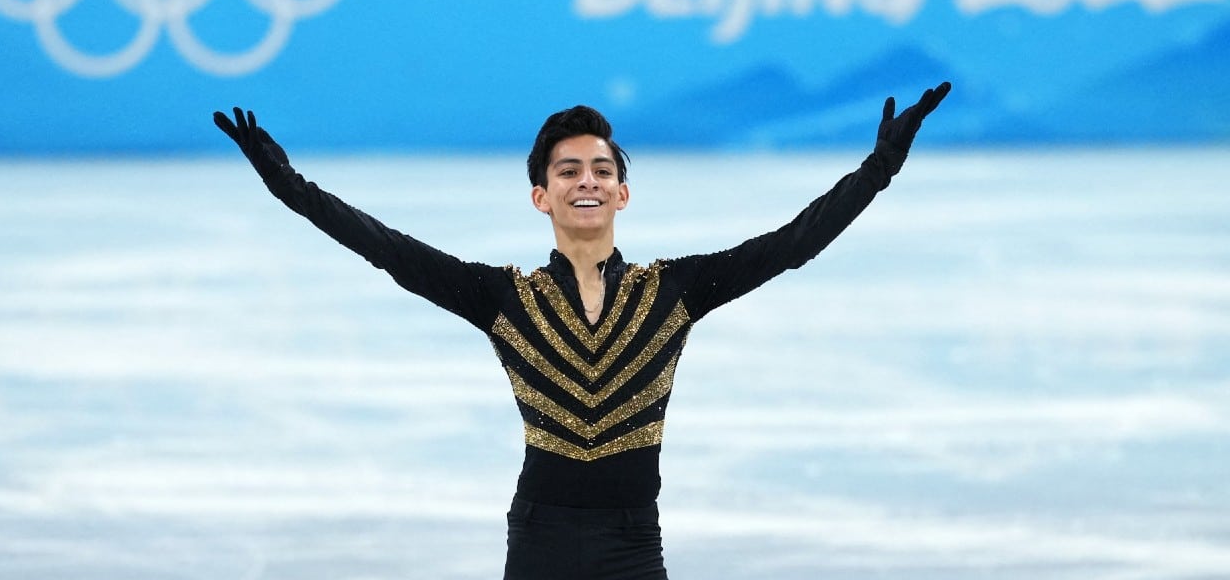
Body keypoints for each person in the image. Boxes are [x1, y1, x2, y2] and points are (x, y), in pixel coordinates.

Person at [213, 80, 950, 580]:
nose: (586, 180)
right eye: (568, 171)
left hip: (634, 542)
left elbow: (794, 242)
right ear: (542, 196)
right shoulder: (502, 297)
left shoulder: (674, 291)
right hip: (541, 540)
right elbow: (387, 248)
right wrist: (290, 187)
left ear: (623, 192)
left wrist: (877, 169)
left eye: (600, 168)